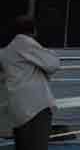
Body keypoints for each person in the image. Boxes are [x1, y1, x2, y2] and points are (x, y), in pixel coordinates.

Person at [0, 16, 59, 150]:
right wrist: (49, 53)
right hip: (35, 108)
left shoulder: (7, 50)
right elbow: (53, 64)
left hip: (17, 109)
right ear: (33, 31)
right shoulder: (25, 43)